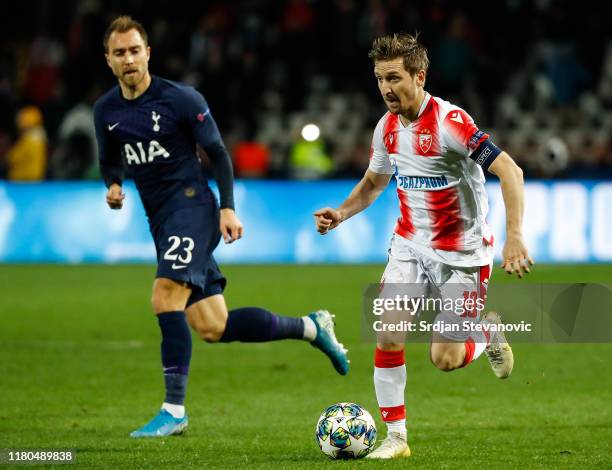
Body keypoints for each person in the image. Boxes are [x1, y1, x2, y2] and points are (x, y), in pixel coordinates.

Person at [93, 16, 349, 438]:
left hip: (192, 208)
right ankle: (311, 326)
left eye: (135, 50)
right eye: (119, 53)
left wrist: (227, 208)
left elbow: (219, 153)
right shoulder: (107, 110)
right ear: (109, 60)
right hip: (161, 219)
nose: (129, 59)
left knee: (164, 297)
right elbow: (109, 159)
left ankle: (173, 411)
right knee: (213, 326)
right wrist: (114, 185)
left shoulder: (180, 99)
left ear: (148, 53)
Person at [314, 33, 533, 459]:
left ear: (419, 75)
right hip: (409, 246)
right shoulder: (387, 128)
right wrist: (341, 213)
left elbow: (511, 171)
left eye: (393, 78)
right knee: (389, 333)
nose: (385, 88)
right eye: (379, 79)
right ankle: (396, 438)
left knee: (446, 359)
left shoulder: (452, 123)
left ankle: (486, 333)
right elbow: (374, 183)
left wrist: (516, 236)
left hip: (462, 254)